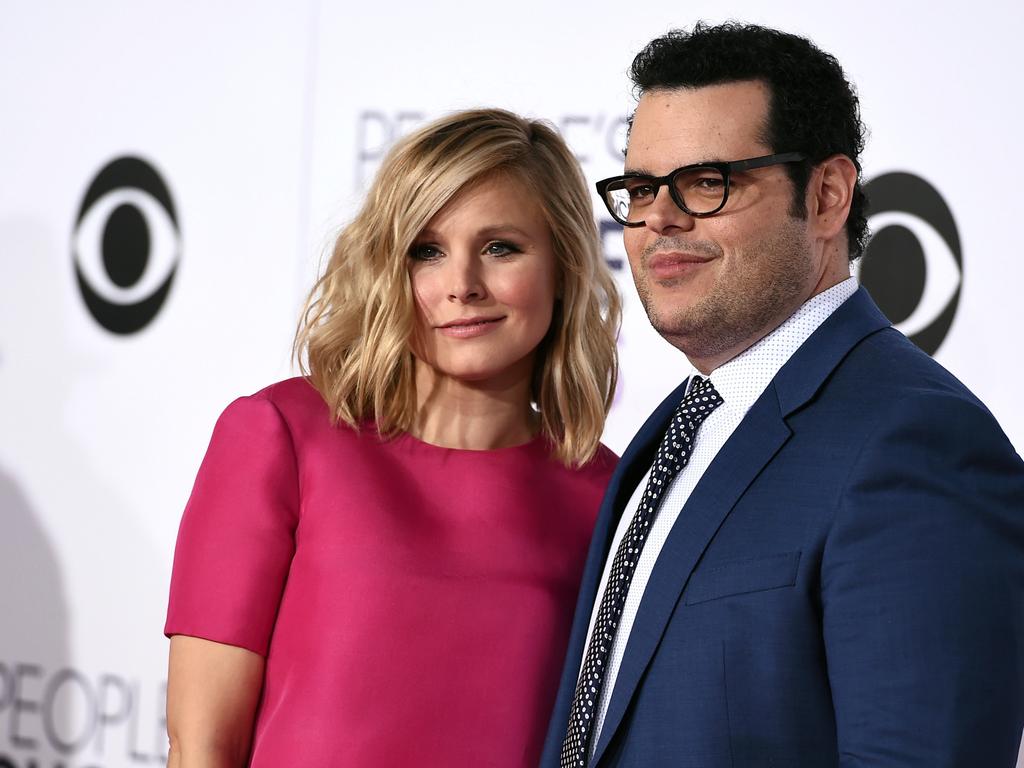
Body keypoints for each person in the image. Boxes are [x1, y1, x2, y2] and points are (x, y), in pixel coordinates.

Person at [543, 22, 1024, 768]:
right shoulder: (673, 430)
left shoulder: (916, 441)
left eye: (708, 182)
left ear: (828, 195)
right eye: (641, 189)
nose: (660, 219)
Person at [163, 108, 621, 767]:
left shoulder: (607, 498)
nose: (461, 285)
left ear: (564, 266)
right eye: (426, 251)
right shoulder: (284, 438)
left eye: (501, 248)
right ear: (387, 269)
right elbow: (202, 747)